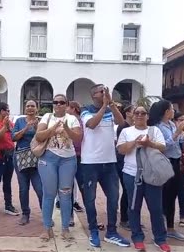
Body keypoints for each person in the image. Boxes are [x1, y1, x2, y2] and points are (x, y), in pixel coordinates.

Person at [80, 84, 129, 248]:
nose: (105, 93)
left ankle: (112, 231)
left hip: (109, 162)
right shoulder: (85, 110)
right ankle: (93, 230)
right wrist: (104, 107)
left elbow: (122, 123)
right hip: (90, 163)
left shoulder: (109, 109)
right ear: (94, 95)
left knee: (114, 197)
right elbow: (92, 124)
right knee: (90, 198)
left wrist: (111, 105)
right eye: (102, 91)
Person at [116, 105, 171, 252]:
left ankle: (160, 238)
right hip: (131, 174)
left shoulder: (155, 130)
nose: (140, 115)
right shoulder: (126, 131)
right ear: (133, 116)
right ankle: (137, 237)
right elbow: (121, 150)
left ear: (147, 116)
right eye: (137, 113)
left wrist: (149, 144)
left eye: (143, 113)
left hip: (152, 174)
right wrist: (134, 142)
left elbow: (163, 147)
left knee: (156, 208)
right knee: (134, 207)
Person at [35, 94, 82, 241]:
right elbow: (39, 136)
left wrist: (67, 128)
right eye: (55, 102)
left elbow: (78, 138)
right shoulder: (47, 117)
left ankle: (65, 228)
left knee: (66, 194)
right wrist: (53, 129)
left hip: (67, 160)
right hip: (49, 158)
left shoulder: (72, 118)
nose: (58, 104)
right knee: (49, 194)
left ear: (66, 104)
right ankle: (47, 228)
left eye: (62, 102)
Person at [148, 100, 184, 241]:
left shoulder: (171, 125)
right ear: (166, 112)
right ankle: (163, 227)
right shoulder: (157, 127)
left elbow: (181, 143)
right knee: (165, 196)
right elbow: (164, 146)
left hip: (177, 163)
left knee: (174, 194)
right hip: (165, 163)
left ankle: (170, 228)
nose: (174, 111)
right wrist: (176, 133)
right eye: (171, 109)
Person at [12, 100, 43, 226]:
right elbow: (13, 137)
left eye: (33, 106)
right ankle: (25, 214)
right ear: (25, 108)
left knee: (40, 189)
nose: (30, 108)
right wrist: (26, 128)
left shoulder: (41, 121)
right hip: (21, 158)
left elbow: (42, 137)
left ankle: (45, 214)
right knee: (23, 188)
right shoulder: (19, 121)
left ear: (37, 109)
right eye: (28, 106)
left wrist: (35, 127)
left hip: (36, 158)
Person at [0, 102, 19, 217]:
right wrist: (5, 127)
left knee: (7, 182)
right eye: (7, 110)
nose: (8, 112)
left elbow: (13, 135)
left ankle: (8, 205)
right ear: (2, 111)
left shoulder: (9, 122)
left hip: (10, 155)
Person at [115, 104, 133, 229]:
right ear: (127, 113)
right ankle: (124, 218)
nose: (137, 114)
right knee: (127, 189)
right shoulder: (123, 127)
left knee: (130, 190)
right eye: (134, 111)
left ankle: (129, 217)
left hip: (128, 160)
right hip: (122, 161)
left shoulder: (131, 127)